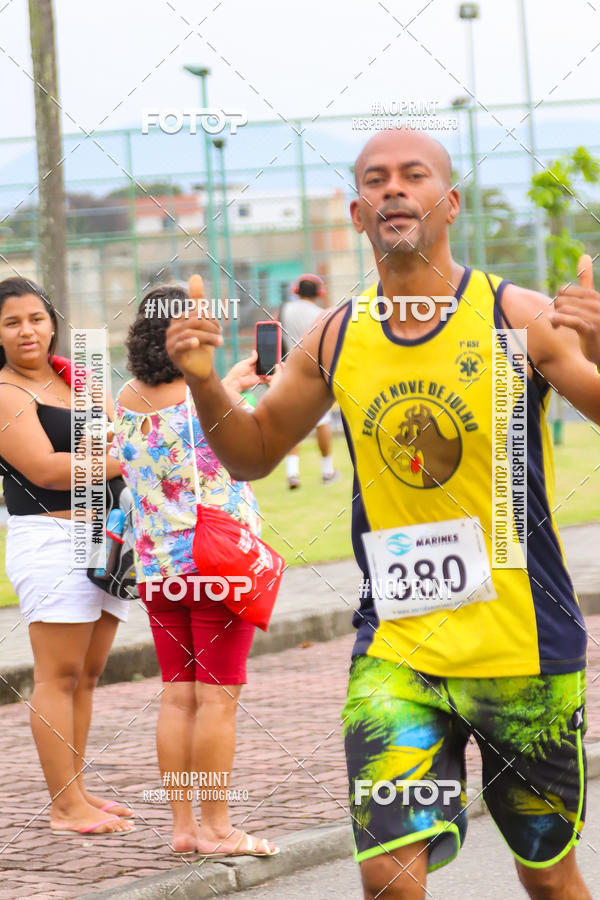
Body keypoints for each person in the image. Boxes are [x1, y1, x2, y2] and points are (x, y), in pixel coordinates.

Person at [165, 129, 600, 899]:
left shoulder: (515, 316)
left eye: (413, 175)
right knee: (390, 880)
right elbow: (254, 453)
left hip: (524, 650)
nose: (394, 188)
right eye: (376, 179)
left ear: (450, 202)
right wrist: (205, 384)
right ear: (360, 213)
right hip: (399, 654)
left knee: (552, 882)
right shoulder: (338, 335)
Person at [110, 284, 279, 857]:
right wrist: (234, 393)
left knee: (178, 697)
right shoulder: (202, 402)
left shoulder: (126, 397)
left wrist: (225, 384)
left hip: (159, 569)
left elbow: (171, 441)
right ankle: (218, 828)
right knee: (217, 700)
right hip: (218, 567)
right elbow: (236, 451)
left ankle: (184, 828)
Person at [0, 277, 134, 836]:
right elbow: (46, 469)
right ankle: (63, 806)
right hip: (51, 540)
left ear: (52, 322)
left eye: (35, 318)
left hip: (106, 540)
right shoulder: (5, 391)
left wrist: (123, 449)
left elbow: (118, 430)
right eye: (12, 322)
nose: (27, 330)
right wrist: (127, 458)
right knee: (57, 676)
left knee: (87, 674)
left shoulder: (73, 377)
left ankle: (76, 788)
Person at [280, 274, 339, 488]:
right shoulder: (321, 314)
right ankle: (327, 471)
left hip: (289, 371)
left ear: (296, 291)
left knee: (293, 424)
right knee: (322, 423)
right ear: (319, 293)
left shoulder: (285, 309)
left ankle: (293, 473)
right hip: (315, 373)